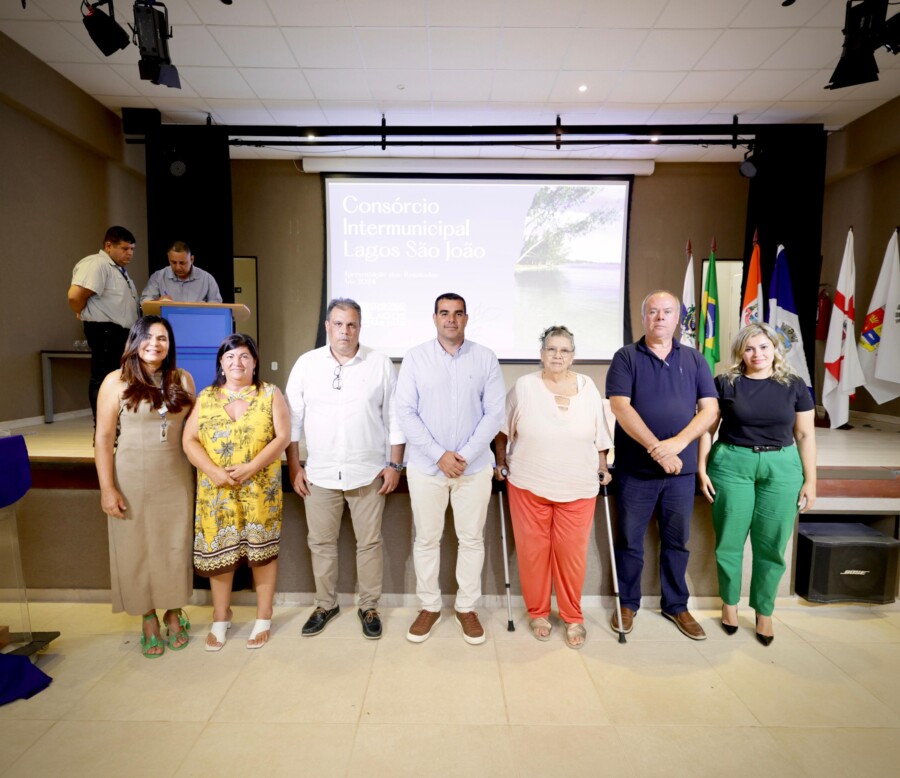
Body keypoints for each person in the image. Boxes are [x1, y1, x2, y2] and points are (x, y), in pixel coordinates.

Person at [285, 298, 406, 640]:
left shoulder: (379, 363)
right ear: (327, 326)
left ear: (360, 328)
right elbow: (292, 419)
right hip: (320, 473)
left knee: (369, 543)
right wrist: (295, 466)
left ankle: (369, 606)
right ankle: (326, 604)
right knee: (320, 542)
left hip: (368, 472)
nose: (345, 331)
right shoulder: (307, 364)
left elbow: (394, 416)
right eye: (338, 324)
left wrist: (395, 464)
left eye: (351, 324)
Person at [606, 290, 719, 640]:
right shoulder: (626, 356)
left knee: (677, 542)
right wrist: (658, 449)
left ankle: (676, 606)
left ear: (677, 318)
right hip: (634, 471)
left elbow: (710, 410)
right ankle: (627, 603)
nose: (659, 317)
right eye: (652, 311)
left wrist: (678, 445)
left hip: (680, 474)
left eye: (667, 311)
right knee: (630, 541)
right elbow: (620, 407)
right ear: (643, 318)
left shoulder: (696, 359)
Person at [395, 292, 505, 645]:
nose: (451, 320)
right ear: (435, 318)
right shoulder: (415, 358)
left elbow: (494, 414)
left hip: (473, 470)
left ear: (466, 319)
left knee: (471, 540)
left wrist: (466, 455)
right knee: (427, 539)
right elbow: (406, 413)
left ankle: (466, 608)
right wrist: (439, 455)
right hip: (427, 469)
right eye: (444, 313)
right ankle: (429, 606)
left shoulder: (485, 359)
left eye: (458, 314)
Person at [698, 322, 816, 646]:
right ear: (741, 352)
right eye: (750, 348)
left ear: (775, 348)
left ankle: (764, 611)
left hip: (782, 467)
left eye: (764, 346)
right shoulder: (725, 382)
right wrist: (701, 467)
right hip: (732, 464)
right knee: (729, 541)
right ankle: (729, 604)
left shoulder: (794, 385)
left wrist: (811, 480)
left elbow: (805, 434)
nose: (757, 354)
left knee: (772, 545)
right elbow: (707, 429)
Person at [494, 325, 613, 649]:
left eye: (564, 350)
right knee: (534, 554)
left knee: (571, 555)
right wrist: (500, 462)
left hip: (578, 486)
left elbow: (600, 435)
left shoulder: (588, 387)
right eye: (551, 349)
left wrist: (603, 466)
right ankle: (538, 613)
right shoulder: (524, 387)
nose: (557, 355)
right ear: (541, 353)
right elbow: (502, 431)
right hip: (528, 483)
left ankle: (573, 617)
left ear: (573, 355)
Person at [94, 315, 195, 658]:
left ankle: (172, 611)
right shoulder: (115, 382)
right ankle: (148, 617)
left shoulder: (182, 379)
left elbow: (196, 431)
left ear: (170, 345)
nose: (155, 343)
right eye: (148, 337)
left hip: (176, 476)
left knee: (173, 546)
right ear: (135, 342)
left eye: (163, 338)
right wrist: (107, 488)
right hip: (131, 478)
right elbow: (104, 439)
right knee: (135, 548)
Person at [182, 334, 290, 651]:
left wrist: (252, 467)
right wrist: (214, 472)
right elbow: (189, 441)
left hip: (260, 489)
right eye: (230, 357)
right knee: (220, 555)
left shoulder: (270, 394)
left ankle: (264, 616)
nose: (237, 363)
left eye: (244, 356)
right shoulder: (206, 397)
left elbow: (282, 437)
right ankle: (220, 616)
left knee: (262, 553)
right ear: (221, 363)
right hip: (216, 493)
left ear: (254, 362)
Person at [68, 226, 141, 419]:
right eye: (125, 248)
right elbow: (75, 296)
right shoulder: (97, 264)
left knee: (118, 378)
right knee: (103, 379)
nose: (130, 253)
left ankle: (114, 424)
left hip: (121, 333)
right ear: (109, 246)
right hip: (105, 331)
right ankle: (101, 426)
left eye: (132, 249)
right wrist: (80, 311)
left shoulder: (118, 270)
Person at [140, 240, 223, 304]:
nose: (178, 267)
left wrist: (204, 307)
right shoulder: (158, 277)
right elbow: (144, 301)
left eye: (182, 263)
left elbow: (217, 306)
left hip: (197, 323)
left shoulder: (207, 279)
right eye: (173, 262)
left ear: (192, 259)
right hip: (167, 324)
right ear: (168, 257)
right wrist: (158, 302)